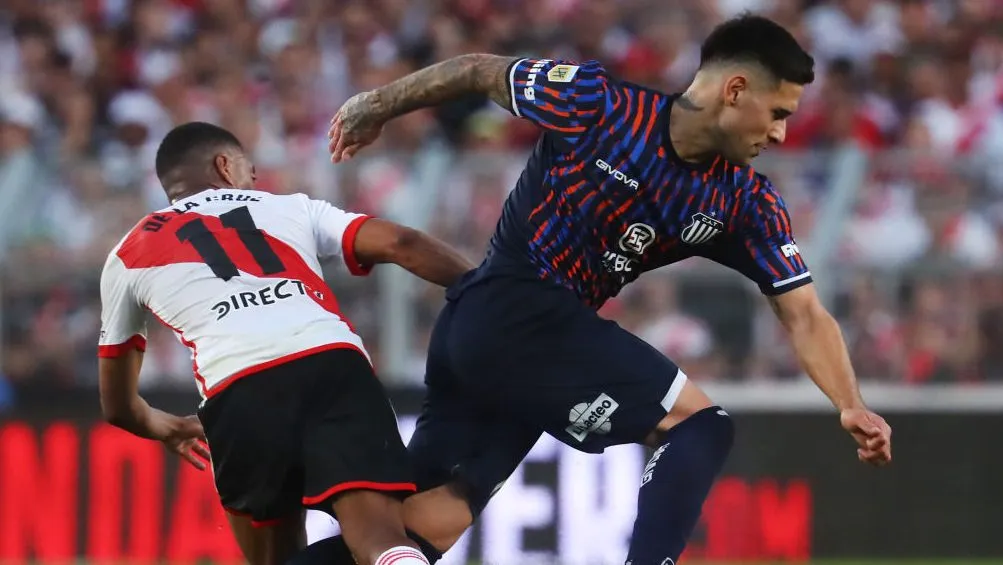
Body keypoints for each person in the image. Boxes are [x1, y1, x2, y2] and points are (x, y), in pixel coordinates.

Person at [296, 14, 893, 565]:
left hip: (499, 336)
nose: (784, 134)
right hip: (516, 305)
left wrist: (849, 401)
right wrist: (377, 104)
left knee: (424, 525)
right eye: (779, 112)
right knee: (701, 425)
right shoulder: (598, 102)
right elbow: (476, 70)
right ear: (736, 90)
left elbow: (804, 313)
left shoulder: (743, 202)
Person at [96, 122, 475, 565]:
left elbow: (118, 406)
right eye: (248, 170)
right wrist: (487, 290)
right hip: (332, 365)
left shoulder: (127, 252)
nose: (254, 181)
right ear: (224, 166)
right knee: (379, 538)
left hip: (237, 391)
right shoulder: (288, 207)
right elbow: (400, 242)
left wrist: (162, 425)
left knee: (276, 558)